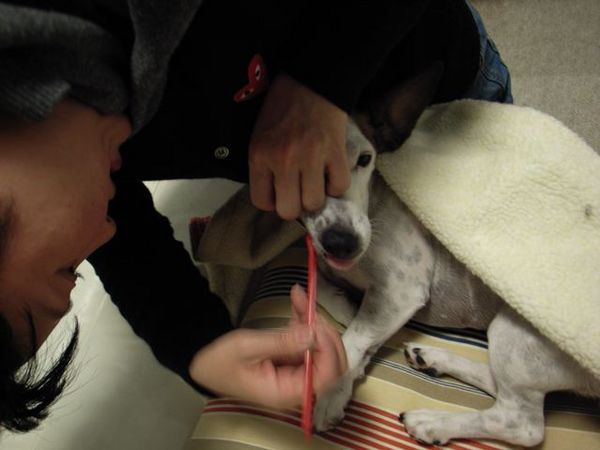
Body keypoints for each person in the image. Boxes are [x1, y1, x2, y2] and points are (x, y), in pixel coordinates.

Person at [0, 0, 511, 433]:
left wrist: (321, 81)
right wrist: (201, 348)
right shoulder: (66, 152)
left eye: (65, 267)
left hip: (423, 71)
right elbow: (125, 233)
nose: (103, 234)